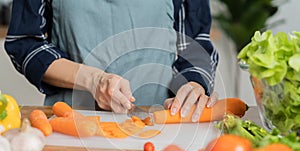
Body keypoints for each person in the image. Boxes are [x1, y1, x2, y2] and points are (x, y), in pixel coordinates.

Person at [5, 0, 219, 122]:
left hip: (159, 123)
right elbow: (26, 42)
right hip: (72, 123)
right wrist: (92, 80)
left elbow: (195, 42)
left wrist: (194, 84)